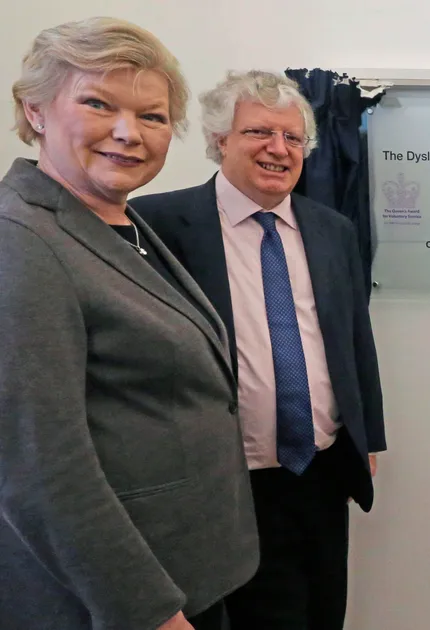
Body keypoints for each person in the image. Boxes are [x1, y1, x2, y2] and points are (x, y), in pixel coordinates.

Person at [0, 17, 257, 630]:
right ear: (34, 110)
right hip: (115, 602)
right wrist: (148, 612)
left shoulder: (119, 223)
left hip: (185, 572)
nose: (128, 133)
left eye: (152, 116)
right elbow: (38, 468)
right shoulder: (21, 241)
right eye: (98, 103)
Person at [131, 70, 386, 630]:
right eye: (259, 133)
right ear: (221, 139)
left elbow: (354, 340)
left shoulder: (332, 229)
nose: (279, 149)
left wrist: (368, 436)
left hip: (320, 471)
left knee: (321, 613)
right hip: (225, 479)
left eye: (293, 138)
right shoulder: (155, 224)